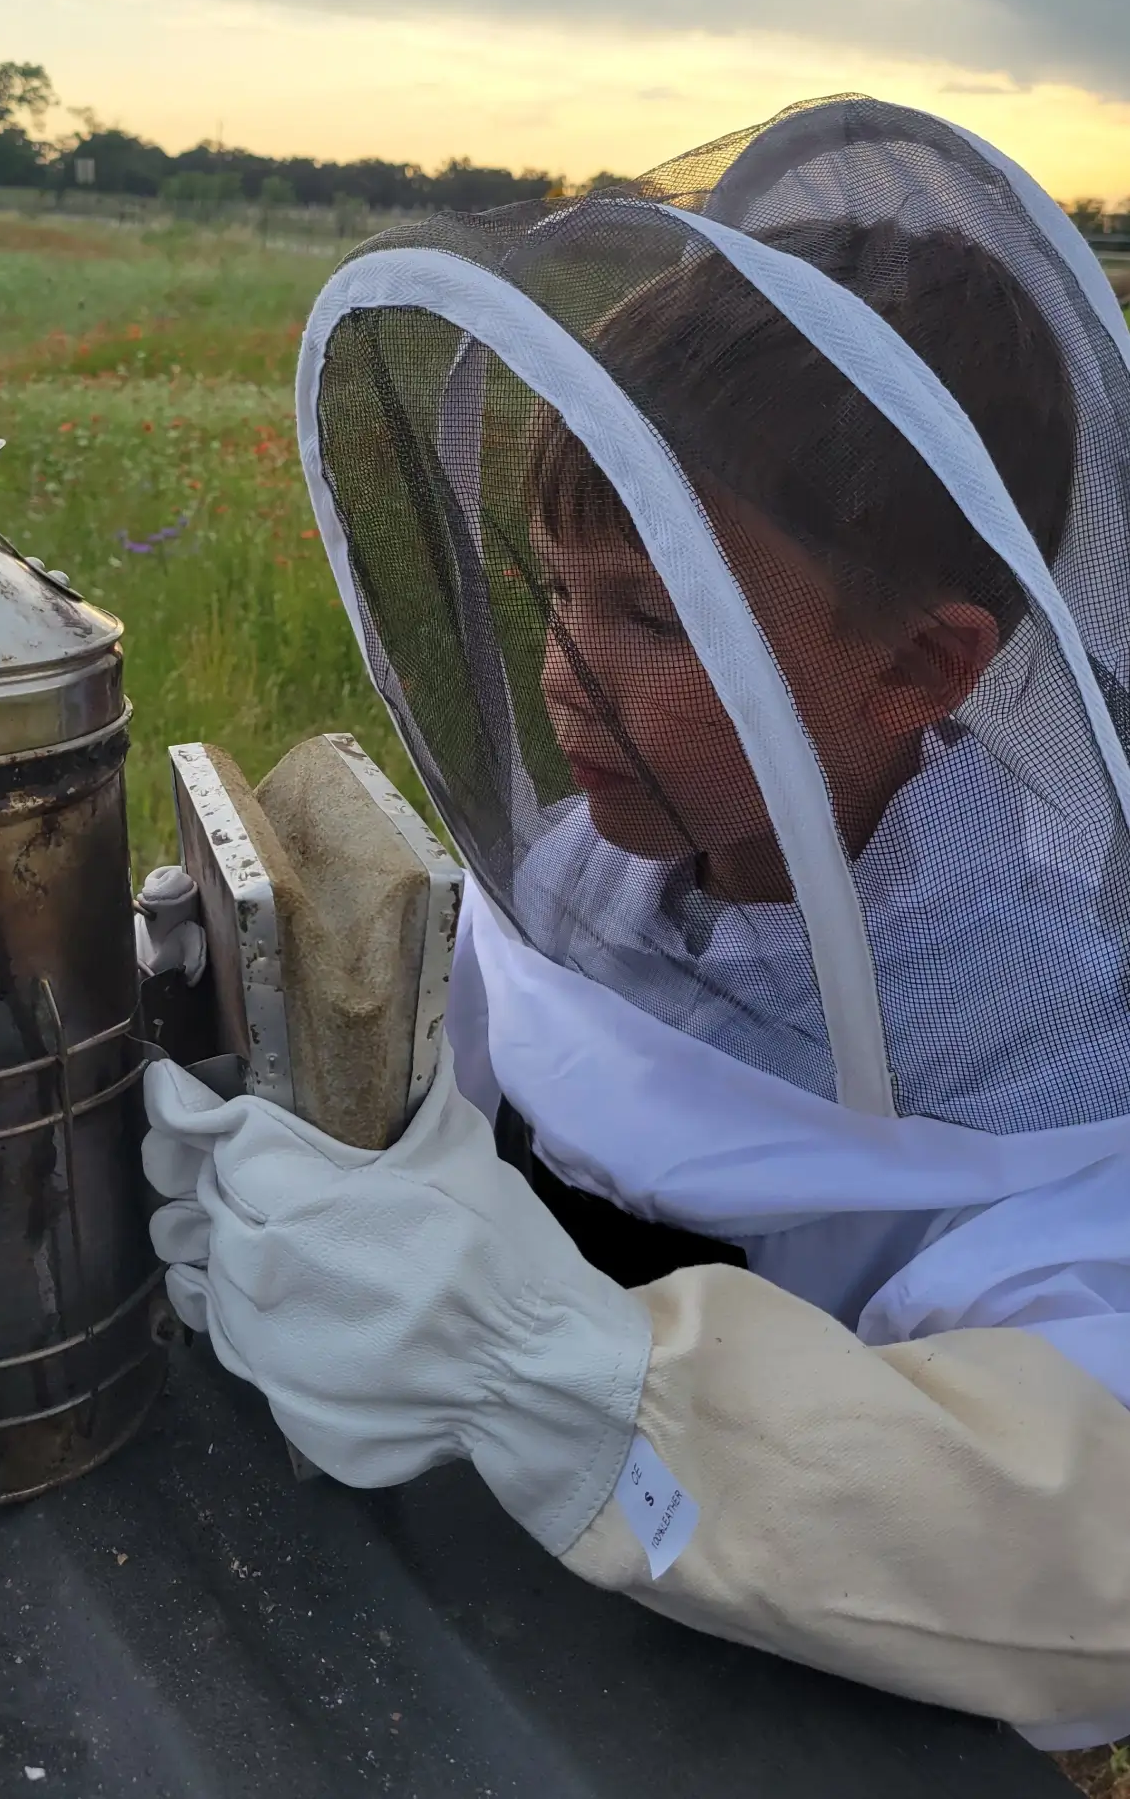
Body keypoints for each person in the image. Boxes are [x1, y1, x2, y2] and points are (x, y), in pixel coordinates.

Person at [143, 97, 1130, 1747]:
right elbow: (452, 1089)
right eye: (555, 590)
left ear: (923, 668)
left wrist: (553, 1366)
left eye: (656, 614)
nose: (560, 674)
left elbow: (1074, 1545)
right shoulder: (594, 877)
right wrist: (275, 1103)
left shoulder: (1035, 1028)